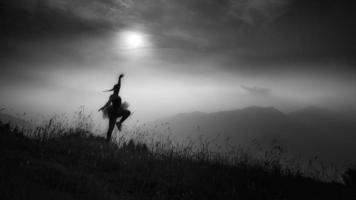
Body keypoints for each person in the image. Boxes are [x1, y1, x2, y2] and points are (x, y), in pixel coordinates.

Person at [99, 74, 131, 141]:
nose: (118, 89)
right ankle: (107, 140)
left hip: (117, 110)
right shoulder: (113, 96)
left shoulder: (116, 94)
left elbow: (119, 85)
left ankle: (119, 123)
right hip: (114, 112)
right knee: (111, 127)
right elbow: (109, 102)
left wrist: (119, 78)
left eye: (118, 89)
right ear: (115, 89)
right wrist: (103, 107)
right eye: (117, 89)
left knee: (128, 112)